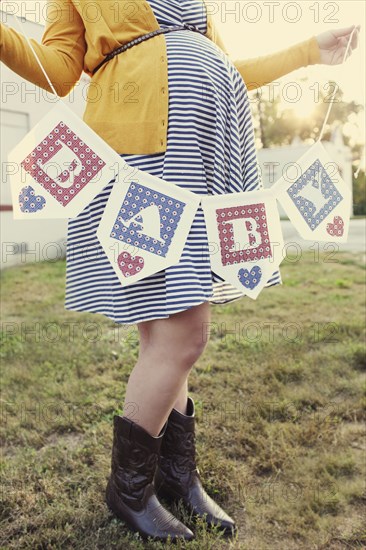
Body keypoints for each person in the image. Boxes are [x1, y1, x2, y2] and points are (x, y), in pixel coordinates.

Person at [0, 0, 360, 542]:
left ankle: (174, 474)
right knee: (186, 333)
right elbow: (57, 67)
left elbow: (224, 65)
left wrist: (309, 51)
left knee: (164, 326)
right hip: (148, 154)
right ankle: (128, 490)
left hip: (211, 151)